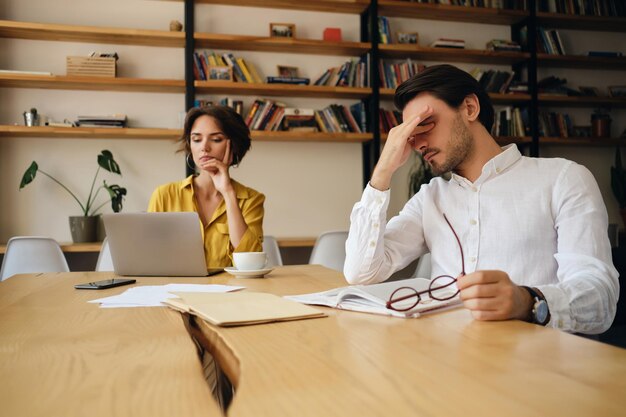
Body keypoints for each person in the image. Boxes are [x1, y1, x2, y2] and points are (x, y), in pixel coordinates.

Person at [344, 64, 619, 334]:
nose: (417, 144)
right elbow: (361, 273)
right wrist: (382, 172)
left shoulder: (563, 179)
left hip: (535, 365)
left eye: (424, 125)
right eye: (409, 136)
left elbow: (600, 299)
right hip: (446, 360)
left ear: (470, 108)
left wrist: (528, 301)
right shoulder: (430, 198)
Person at [148, 106, 264, 268]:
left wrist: (228, 193)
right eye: (196, 139)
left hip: (230, 291)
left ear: (234, 145)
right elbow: (150, 257)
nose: (204, 147)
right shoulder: (164, 195)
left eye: (216, 139)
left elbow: (250, 262)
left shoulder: (252, 199)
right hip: (176, 289)